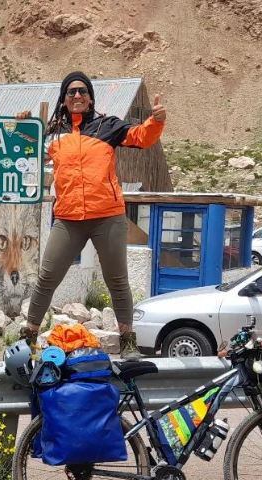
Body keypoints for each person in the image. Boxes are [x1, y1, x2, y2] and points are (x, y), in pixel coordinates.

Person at [17, 72, 166, 360]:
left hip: (107, 216)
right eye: (71, 92)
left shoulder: (107, 125)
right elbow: (26, 151)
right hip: (68, 218)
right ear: (64, 98)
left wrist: (156, 120)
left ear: (90, 97)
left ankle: (128, 342)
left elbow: (141, 137)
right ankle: (28, 338)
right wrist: (22, 127)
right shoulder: (52, 133)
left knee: (117, 280)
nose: (76, 96)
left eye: (82, 91)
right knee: (47, 277)